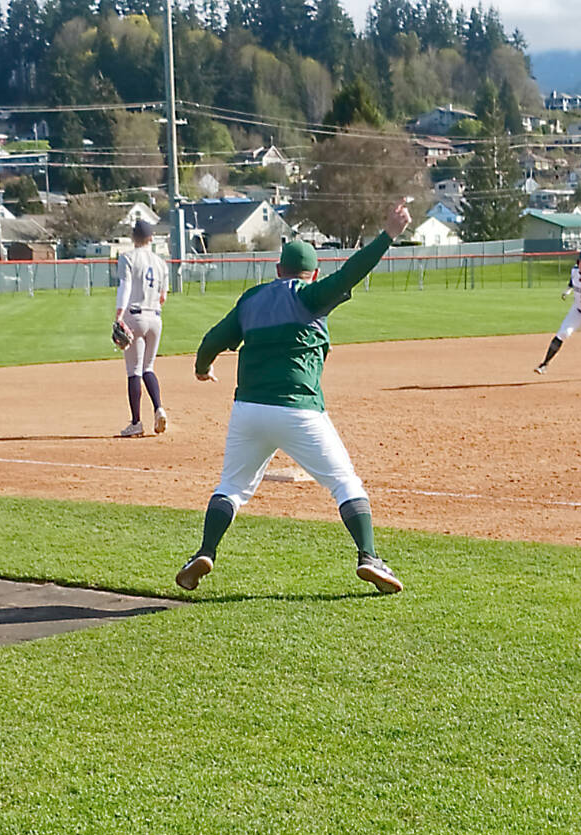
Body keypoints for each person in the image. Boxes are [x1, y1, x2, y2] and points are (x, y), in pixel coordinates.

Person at [177, 200, 412, 595]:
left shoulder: (251, 299)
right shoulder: (311, 296)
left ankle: (205, 551)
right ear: (313, 273)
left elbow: (212, 341)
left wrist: (203, 368)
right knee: (344, 482)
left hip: (248, 410)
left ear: (277, 270)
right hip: (298, 410)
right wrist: (388, 235)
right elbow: (351, 273)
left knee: (232, 487)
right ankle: (369, 557)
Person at [114, 219, 170, 437]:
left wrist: (119, 315)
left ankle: (136, 422)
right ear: (151, 238)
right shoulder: (160, 263)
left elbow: (125, 286)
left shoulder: (127, 257)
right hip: (155, 317)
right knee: (149, 367)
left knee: (134, 371)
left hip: (134, 316)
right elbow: (163, 297)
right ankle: (159, 408)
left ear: (133, 237)